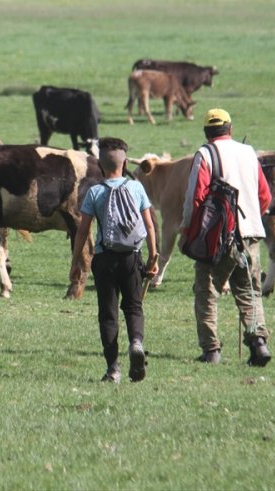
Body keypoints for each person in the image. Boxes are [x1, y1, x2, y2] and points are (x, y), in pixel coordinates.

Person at [179, 108, 272, 366]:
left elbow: (196, 198)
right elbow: (265, 196)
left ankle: (211, 350)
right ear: (230, 128)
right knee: (250, 291)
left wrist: (188, 230)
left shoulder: (205, 154)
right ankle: (258, 342)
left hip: (217, 238)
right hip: (251, 234)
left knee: (207, 291)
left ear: (207, 132)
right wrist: (252, 217)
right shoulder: (249, 153)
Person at [70, 137, 158, 383]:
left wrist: (76, 261)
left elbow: (82, 230)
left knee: (107, 313)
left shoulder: (94, 192)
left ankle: (113, 369)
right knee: (133, 306)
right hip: (132, 257)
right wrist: (153, 257)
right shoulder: (137, 188)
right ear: (126, 162)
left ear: (99, 164)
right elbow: (149, 226)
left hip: (104, 259)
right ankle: (137, 343)